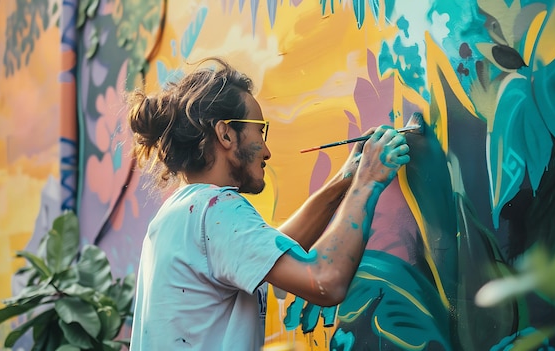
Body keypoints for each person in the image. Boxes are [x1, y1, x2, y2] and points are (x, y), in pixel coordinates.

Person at [127, 57, 411, 350]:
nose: (266, 151)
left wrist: (346, 179)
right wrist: (368, 181)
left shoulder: (178, 215)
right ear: (225, 133)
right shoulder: (217, 209)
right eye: (260, 131)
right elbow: (326, 280)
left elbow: (270, 250)